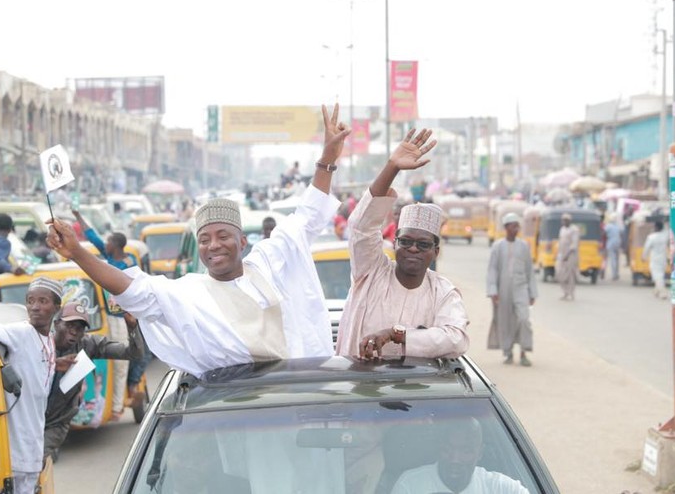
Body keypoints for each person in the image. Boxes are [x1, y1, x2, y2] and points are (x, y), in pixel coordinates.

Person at [46, 104, 351, 377]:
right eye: (204, 239)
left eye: (222, 236)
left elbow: (307, 216)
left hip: (293, 393)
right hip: (233, 408)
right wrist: (77, 252)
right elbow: (132, 288)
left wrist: (327, 159)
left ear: (242, 241)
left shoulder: (267, 262)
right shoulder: (189, 294)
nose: (213, 245)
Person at [335, 128, 469, 360]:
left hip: (414, 384)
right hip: (356, 381)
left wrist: (396, 334)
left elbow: (456, 339)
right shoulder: (371, 272)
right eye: (406, 241)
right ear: (395, 243)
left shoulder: (443, 292)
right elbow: (361, 227)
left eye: (423, 244)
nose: (413, 248)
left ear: (435, 252)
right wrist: (392, 167)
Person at [0, 277, 63, 494]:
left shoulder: (49, 339)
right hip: (17, 446)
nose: (35, 307)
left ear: (56, 307)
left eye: (43, 301)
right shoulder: (22, 332)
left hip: (34, 440)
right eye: (30, 301)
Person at [44, 302, 145, 462]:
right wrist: (53, 364)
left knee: (33, 461)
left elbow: (132, 354)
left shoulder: (88, 344)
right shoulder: (40, 344)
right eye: (69, 325)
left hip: (57, 423)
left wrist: (133, 327)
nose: (74, 332)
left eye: (79, 328)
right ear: (56, 324)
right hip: (30, 418)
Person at [72, 209, 135, 419]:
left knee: (121, 363)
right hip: (106, 317)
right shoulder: (108, 257)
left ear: (115, 246)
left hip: (122, 318)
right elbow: (92, 237)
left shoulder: (128, 264)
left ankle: (116, 407)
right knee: (103, 362)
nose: (104, 244)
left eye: (108, 242)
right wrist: (78, 216)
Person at [391, 418, 530, 494]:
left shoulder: (500, 488)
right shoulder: (410, 485)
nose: (455, 459)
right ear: (438, 448)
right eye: (447, 449)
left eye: (466, 451)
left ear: (480, 453)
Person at [486, 213, 537, 366]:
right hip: (503, 289)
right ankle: (507, 352)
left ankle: (523, 352)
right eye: (514, 226)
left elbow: (530, 270)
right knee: (505, 321)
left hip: (521, 288)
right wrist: (493, 291)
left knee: (523, 319)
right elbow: (492, 269)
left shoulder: (524, 246)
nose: (516, 229)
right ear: (506, 227)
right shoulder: (498, 246)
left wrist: (532, 292)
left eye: (517, 226)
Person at [556, 213, 580, 301]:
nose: (564, 222)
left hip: (571, 255)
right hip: (562, 254)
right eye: (563, 220)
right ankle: (565, 291)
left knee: (570, 275)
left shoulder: (574, 230)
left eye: (566, 220)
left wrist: (567, 255)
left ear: (569, 221)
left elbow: (574, 244)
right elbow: (560, 242)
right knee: (559, 273)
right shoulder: (562, 229)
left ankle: (570, 293)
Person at [643, 220, 670, 299]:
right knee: (660, 275)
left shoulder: (651, 237)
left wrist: (644, 257)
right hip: (663, 258)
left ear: (656, 227)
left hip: (655, 259)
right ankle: (657, 291)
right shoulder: (665, 235)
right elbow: (668, 230)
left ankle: (663, 293)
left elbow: (646, 248)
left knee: (657, 276)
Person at [604, 213, 623, 281]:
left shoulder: (608, 226)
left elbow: (604, 233)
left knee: (613, 259)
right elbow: (621, 233)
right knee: (617, 260)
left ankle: (614, 275)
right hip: (618, 243)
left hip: (611, 243)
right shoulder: (618, 226)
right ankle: (616, 274)